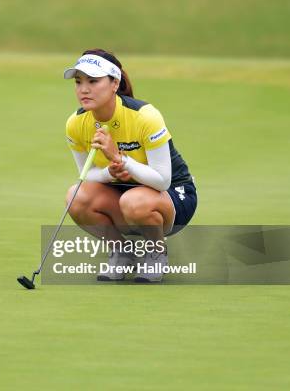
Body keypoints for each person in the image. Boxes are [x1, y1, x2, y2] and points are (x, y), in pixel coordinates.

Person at [63, 48, 197, 283]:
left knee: (134, 201)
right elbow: (87, 175)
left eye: (93, 81)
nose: (84, 89)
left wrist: (120, 158)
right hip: (125, 194)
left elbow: (163, 180)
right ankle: (122, 253)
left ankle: (156, 253)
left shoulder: (145, 116)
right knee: (75, 196)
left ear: (114, 83)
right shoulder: (76, 123)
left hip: (173, 196)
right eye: (78, 81)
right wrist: (108, 172)